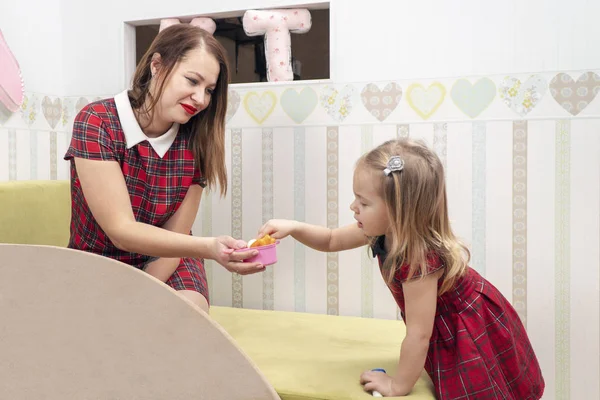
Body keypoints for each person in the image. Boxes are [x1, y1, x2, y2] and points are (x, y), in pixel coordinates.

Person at [256, 139, 545, 399]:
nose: (352, 207)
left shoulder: (419, 259)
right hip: (448, 324)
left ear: (398, 210)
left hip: (468, 326)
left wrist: (397, 385)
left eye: (364, 202)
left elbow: (419, 334)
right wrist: (292, 227)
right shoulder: (382, 230)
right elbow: (331, 239)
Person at [63, 24, 264, 314]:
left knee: (184, 316)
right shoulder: (97, 122)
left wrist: (140, 297)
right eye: (192, 81)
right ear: (157, 65)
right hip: (98, 260)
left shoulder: (198, 139)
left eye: (208, 90)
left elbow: (178, 235)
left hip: (168, 257)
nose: (200, 99)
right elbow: (121, 231)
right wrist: (211, 247)